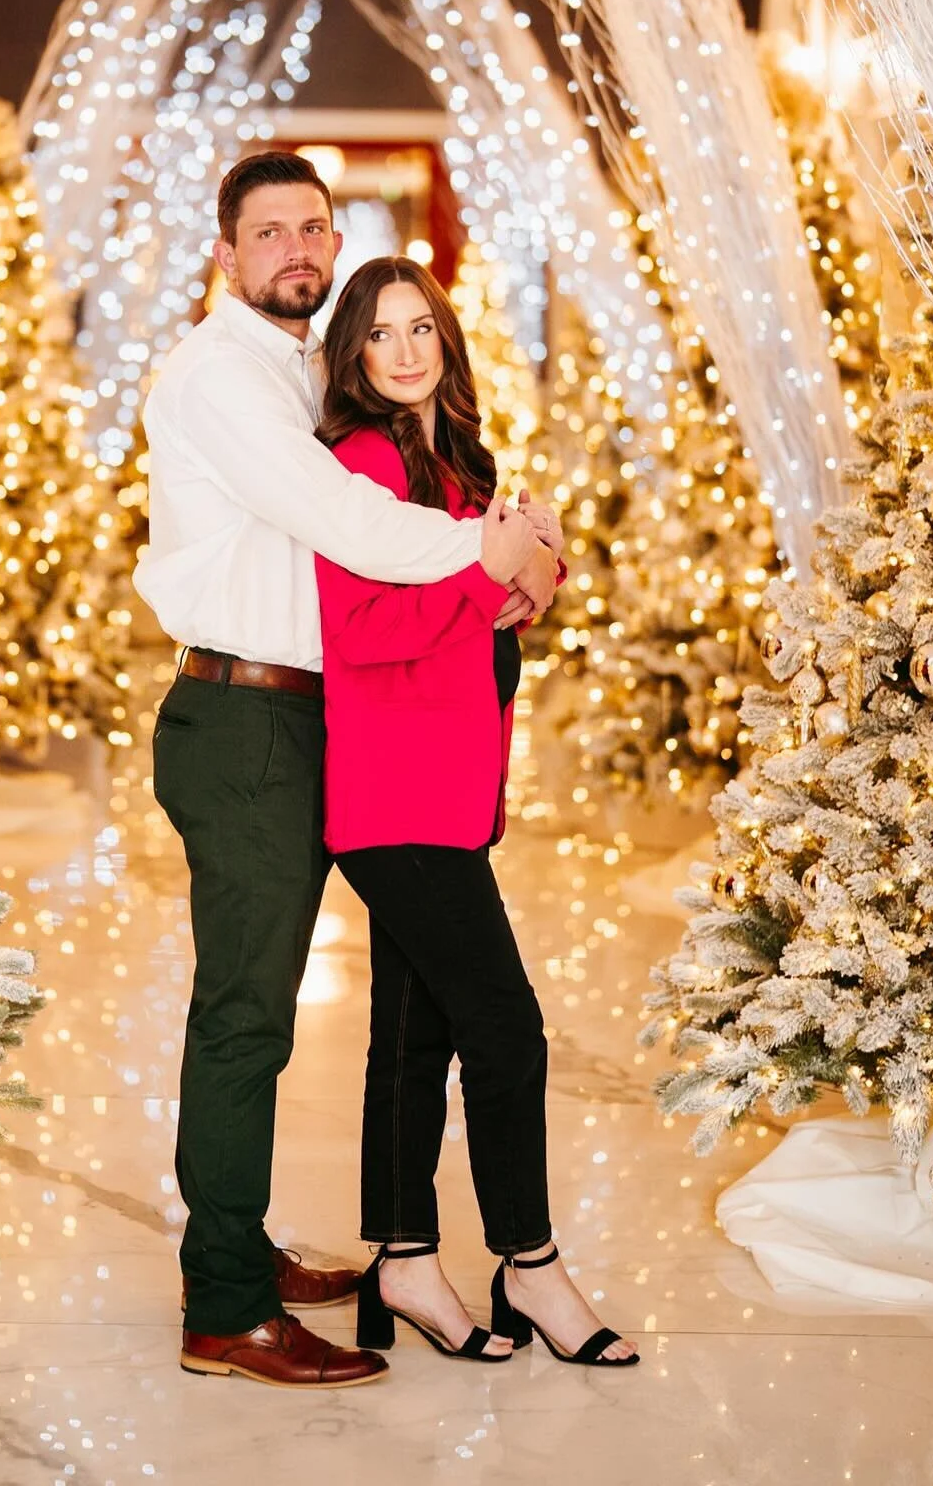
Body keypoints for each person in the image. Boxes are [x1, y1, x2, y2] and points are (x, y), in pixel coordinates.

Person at [134, 152, 558, 1390]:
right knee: (247, 1018)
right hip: (245, 721)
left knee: (371, 1002)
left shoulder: (297, 371)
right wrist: (495, 546)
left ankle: (254, 1251)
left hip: (317, 720)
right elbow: (348, 525)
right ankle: (223, 1307)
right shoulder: (219, 376)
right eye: (267, 233)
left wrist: (501, 569)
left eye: (313, 227)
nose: (296, 250)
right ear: (226, 253)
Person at [315, 255, 640, 1369]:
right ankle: (531, 1265)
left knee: (415, 1033)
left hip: (451, 788)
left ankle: (404, 1259)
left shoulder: (454, 458)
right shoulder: (356, 462)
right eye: (381, 335)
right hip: (390, 795)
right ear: (352, 356)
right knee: (506, 1028)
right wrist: (479, 581)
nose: (407, 352)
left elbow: (492, 599)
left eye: (423, 330)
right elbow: (358, 630)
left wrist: (531, 582)